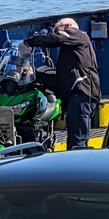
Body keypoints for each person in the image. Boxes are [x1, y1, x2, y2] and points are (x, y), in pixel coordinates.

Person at [25, 17, 100, 149]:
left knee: (77, 142)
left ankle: (77, 161)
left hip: (81, 93)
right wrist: (35, 76)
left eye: (56, 30)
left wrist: (29, 42)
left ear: (68, 27)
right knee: (76, 139)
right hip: (80, 95)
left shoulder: (77, 35)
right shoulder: (72, 52)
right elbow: (61, 79)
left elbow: (55, 39)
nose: (54, 33)